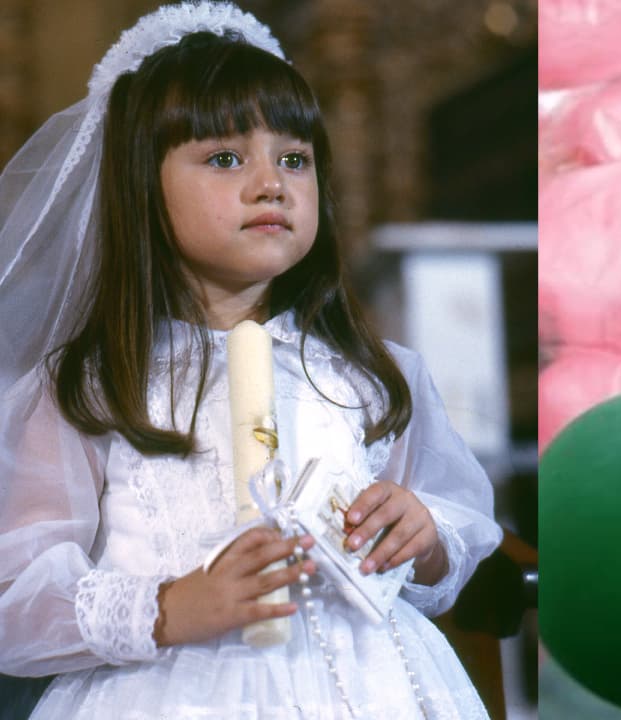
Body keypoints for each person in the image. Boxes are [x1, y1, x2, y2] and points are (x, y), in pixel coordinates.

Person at [0, 3, 501, 718]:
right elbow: (16, 598)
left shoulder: (365, 374)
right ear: (141, 184)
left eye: (294, 159)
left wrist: (420, 532)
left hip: (366, 687)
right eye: (226, 157)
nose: (272, 183)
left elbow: (450, 537)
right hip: (167, 690)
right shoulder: (89, 385)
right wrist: (169, 607)